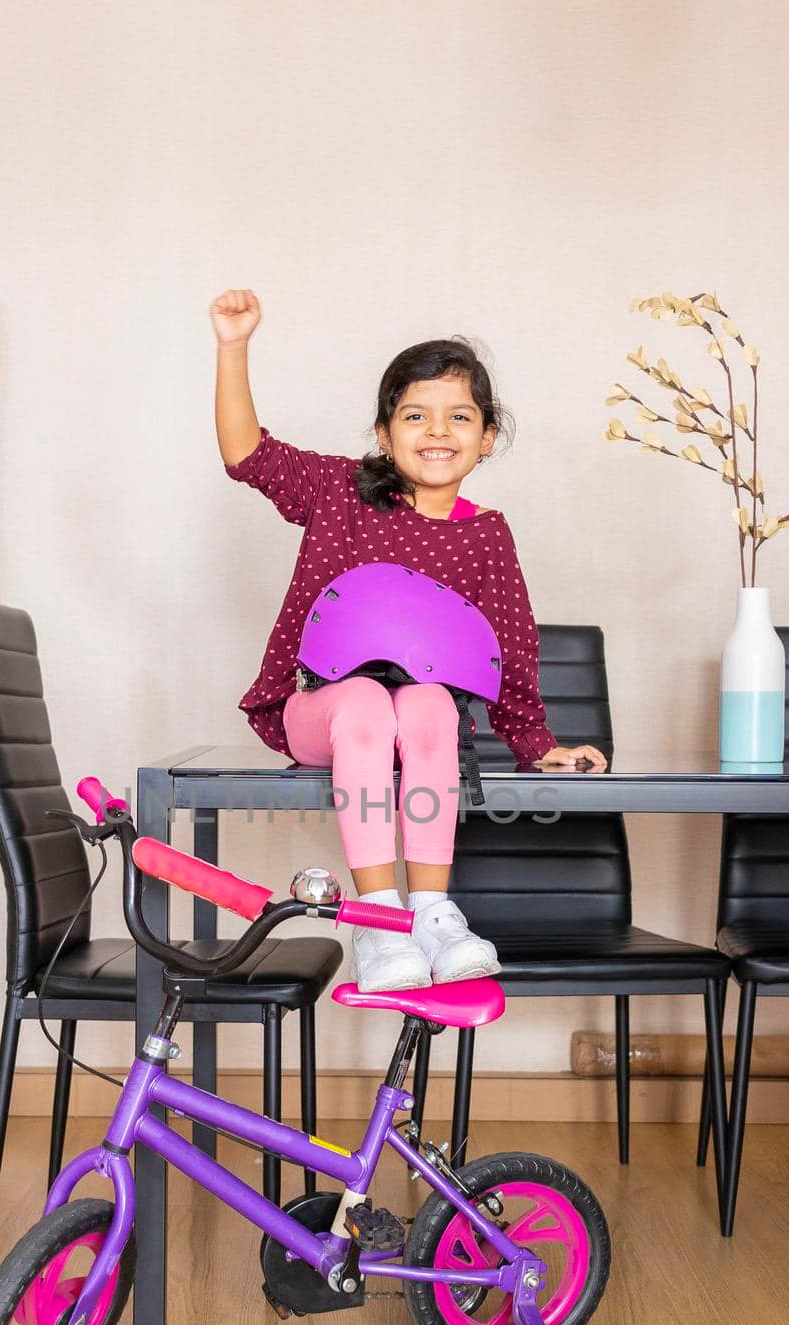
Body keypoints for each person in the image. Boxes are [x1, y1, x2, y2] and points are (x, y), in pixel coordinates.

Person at [213, 288, 606, 991]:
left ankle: (429, 911)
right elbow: (248, 455)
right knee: (365, 700)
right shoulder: (338, 492)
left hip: (418, 718)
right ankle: (377, 918)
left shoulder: (484, 534)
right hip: (323, 711)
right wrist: (234, 346)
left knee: (429, 704)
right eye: (415, 415)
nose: (437, 430)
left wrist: (537, 744)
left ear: (486, 436)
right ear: (384, 434)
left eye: (459, 417)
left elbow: (509, 646)